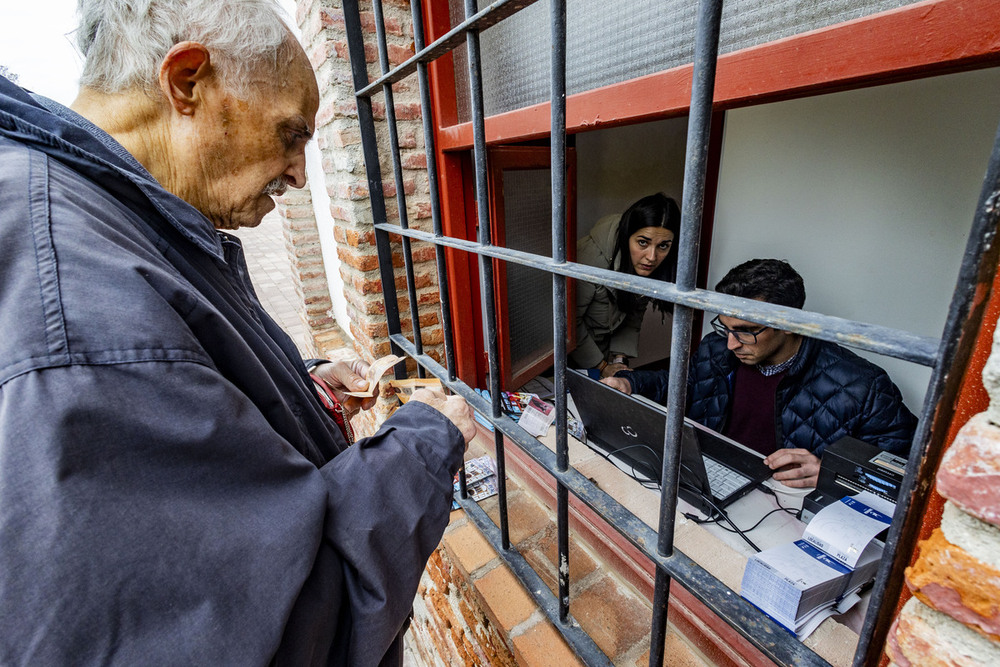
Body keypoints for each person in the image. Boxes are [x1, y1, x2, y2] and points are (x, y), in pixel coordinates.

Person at [0, 1, 476, 665]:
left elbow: (183, 414)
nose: (299, 174)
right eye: (291, 135)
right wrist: (424, 440)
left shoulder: (110, 222)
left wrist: (304, 391)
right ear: (187, 81)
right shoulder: (75, 315)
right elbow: (290, 627)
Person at [602, 259, 917, 488]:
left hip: (783, 501)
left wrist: (832, 472)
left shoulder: (861, 386)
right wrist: (629, 382)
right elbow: (681, 385)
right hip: (708, 475)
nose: (730, 343)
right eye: (724, 327)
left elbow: (911, 472)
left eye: (746, 332)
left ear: (788, 323)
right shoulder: (717, 348)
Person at [571, 193, 681, 378]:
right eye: (643, 243)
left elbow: (633, 315)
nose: (652, 257)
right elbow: (569, 323)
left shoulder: (645, 266)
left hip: (603, 357)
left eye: (663, 246)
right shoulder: (590, 259)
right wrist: (602, 366)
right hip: (569, 353)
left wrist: (618, 361)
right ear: (626, 235)